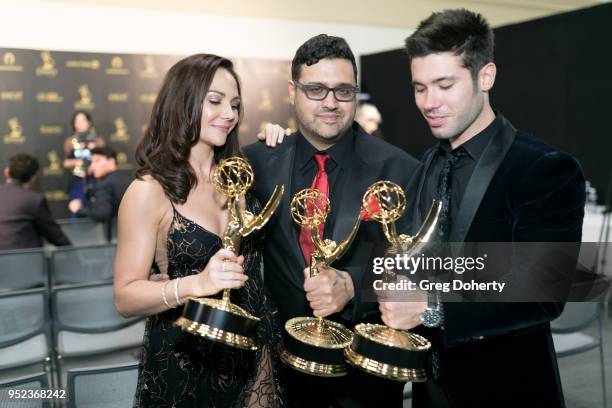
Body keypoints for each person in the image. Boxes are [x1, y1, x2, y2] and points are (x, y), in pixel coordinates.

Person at [377, 9, 585, 407]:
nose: (429, 102)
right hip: (430, 389)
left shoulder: (543, 168)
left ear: (485, 76)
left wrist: (432, 306)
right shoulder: (428, 163)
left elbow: (543, 291)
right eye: (419, 87)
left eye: (444, 84)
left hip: (506, 388)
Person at [246, 34, 421, 407]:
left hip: (364, 378)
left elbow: (421, 273)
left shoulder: (401, 170)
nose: (330, 102)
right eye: (316, 90)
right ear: (292, 90)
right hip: (278, 374)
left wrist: (355, 287)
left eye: (343, 91)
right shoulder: (259, 161)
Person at [114, 54, 283, 407]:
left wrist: (279, 140)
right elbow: (125, 297)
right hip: (185, 358)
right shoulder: (149, 191)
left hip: (254, 349)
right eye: (215, 101)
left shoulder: (239, 178)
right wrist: (196, 285)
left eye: (235, 104)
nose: (230, 114)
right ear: (183, 102)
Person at [0, 153, 71, 250]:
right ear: (33, 178)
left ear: (6, 173)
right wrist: (76, 258)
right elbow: (57, 237)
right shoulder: (34, 200)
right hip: (28, 262)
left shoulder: (33, 200)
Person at [63, 110, 105, 204]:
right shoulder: (70, 142)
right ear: (73, 124)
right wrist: (77, 162)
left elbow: (106, 160)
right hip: (78, 180)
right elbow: (66, 163)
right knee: (77, 208)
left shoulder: (98, 141)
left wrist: (94, 150)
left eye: (82, 120)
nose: (79, 124)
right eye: (76, 121)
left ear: (89, 122)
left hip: (96, 179)